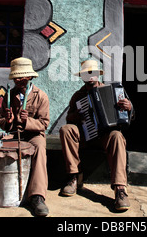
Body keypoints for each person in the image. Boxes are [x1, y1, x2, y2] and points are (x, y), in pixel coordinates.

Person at [59, 59, 134, 211]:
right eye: (87, 74)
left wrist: (129, 108)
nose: (90, 76)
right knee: (66, 129)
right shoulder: (78, 95)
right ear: (83, 77)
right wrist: (78, 116)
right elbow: (69, 118)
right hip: (85, 136)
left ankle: (120, 189)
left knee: (117, 137)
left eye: (93, 73)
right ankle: (74, 177)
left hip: (104, 136)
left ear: (98, 75)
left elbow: (128, 116)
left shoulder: (112, 91)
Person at [0, 57, 50, 216]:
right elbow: (2, 121)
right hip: (12, 134)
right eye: (16, 77)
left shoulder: (41, 96)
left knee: (39, 150)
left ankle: (37, 196)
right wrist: (8, 121)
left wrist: (27, 121)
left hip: (33, 135)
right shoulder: (9, 96)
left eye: (22, 76)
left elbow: (44, 123)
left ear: (30, 76)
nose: (18, 80)